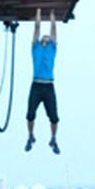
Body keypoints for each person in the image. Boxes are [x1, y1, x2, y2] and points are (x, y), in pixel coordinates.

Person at [26, 8, 59, 154]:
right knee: (30, 114)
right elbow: (37, 27)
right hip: (36, 85)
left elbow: (53, 28)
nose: (45, 37)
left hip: (48, 86)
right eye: (43, 37)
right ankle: (30, 136)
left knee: (54, 117)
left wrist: (52, 14)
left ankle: (53, 139)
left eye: (47, 37)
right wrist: (38, 9)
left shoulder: (52, 48)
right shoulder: (35, 47)